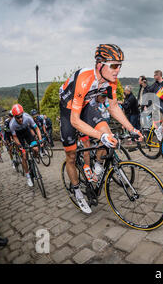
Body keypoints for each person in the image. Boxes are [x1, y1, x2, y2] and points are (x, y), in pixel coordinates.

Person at [58, 44, 142, 214]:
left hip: (87, 106)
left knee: (108, 136)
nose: (118, 70)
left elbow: (113, 108)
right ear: (99, 65)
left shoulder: (111, 81)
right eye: (114, 65)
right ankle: (76, 190)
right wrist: (99, 136)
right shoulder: (84, 78)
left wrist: (132, 129)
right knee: (71, 155)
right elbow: (75, 120)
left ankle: (98, 164)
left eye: (120, 65)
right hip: (69, 111)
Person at [10, 104, 44, 187]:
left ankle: (34, 160)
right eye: (18, 117)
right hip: (19, 136)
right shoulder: (12, 124)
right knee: (24, 156)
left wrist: (40, 139)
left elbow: (36, 128)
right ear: (14, 117)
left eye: (21, 116)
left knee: (35, 149)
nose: (20, 119)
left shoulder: (28, 117)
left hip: (26, 132)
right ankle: (28, 176)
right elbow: (15, 137)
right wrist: (20, 146)